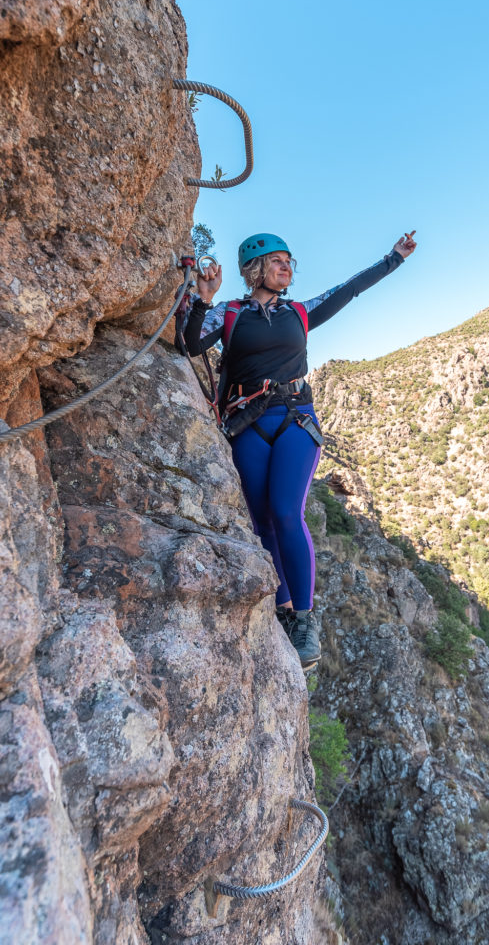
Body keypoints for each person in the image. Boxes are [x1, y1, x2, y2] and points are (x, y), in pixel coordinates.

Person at [184, 231, 417, 669]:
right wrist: (202, 298)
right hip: (248, 423)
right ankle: (285, 609)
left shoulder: (300, 312)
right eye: (277, 261)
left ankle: (306, 620)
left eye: (289, 261)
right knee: (263, 521)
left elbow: (348, 290)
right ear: (255, 269)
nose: (286, 267)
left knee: (288, 512)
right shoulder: (227, 313)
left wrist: (393, 259)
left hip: (294, 419)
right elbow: (189, 344)